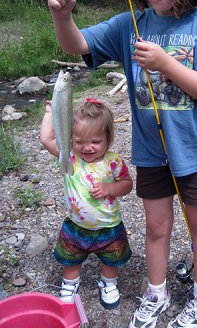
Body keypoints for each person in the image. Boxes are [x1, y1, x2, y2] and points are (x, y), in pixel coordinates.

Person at [47, 0, 197, 327]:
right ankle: (156, 291)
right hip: (151, 152)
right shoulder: (129, 24)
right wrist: (62, 16)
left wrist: (167, 64)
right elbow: (76, 45)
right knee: (155, 226)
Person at [40, 98, 133, 309]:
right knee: (71, 258)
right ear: (70, 139)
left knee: (111, 259)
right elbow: (47, 139)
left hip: (109, 225)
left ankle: (108, 282)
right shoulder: (69, 157)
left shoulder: (114, 161)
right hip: (76, 224)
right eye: (79, 141)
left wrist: (110, 189)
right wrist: (50, 113)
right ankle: (70, 283)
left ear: (108, 139)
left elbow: (127, 185)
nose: (87, 147)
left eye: (95, 141)